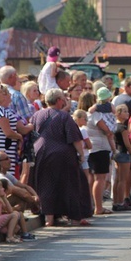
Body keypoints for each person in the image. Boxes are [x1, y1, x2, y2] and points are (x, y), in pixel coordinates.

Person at [30, 89, 91, 226]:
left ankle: (49, 218)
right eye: (63, 98)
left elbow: (32, 133)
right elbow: (74, 138)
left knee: (45, 185)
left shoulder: (37, 115)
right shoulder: (64, 116)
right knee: (71, 185)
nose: (64, 101)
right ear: (58, 100)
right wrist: (81, 155)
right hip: (63, 154)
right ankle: (75, 217)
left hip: (40, 152)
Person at [87, 87, 117, 215]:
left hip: (97, 148)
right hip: (99, 148)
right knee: (100, 178)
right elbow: (107, 129)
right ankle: (98, 207)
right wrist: (110, 131)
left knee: (96, 178)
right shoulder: (96, 115)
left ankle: (95, 205)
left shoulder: (94, 112)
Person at [112, 104, 131, 211]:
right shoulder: (123, 128)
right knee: (122, 180)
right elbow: (127, 144)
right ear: (119, 113)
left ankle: (115, 201)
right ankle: (120, 202)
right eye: (124, 111)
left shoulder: (114, 126)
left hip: (116, 152)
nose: (127, 113)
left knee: (117, 179)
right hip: (123, 153)